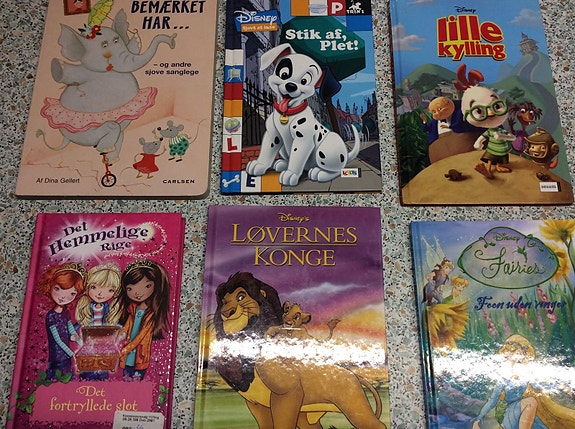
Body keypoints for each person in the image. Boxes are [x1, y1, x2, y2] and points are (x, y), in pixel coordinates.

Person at [117, 259, 171, 380]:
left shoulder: (151, 313)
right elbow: (128, 325)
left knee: (136, 381)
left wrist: (127, 348)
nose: (138, 293)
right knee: (126, 378)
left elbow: (142, 335)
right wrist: (120, 335)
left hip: (139, 353)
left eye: (147, 286)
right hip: (127, 352)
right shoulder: (132, 308)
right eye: (130, 288)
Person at [38, 262, 85, 379]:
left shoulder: (66, 313)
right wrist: (71, 353)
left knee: (67, 379)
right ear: (50, 286)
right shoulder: (51, 316)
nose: (63, 296)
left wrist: (81, 344)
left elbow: (71, 330)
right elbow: (57, 339)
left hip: (66, 356)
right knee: (55, 380)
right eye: (57, 289)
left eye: (72, 293)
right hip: (56, 357)